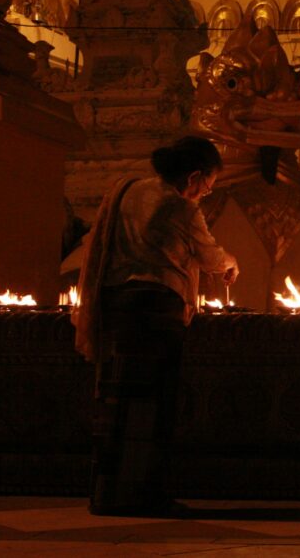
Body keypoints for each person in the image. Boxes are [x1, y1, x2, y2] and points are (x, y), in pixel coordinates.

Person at [73, 136, 238, 516]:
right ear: (194, 177)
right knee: (152, 402)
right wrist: (230, 262)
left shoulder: (128, 191)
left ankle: (106, 492)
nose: (205, 195)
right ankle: (143, 492)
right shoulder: (180, 207)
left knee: (114, 400)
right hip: (156, 309)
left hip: (116, 303)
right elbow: (209, 255)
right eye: (208, 187)